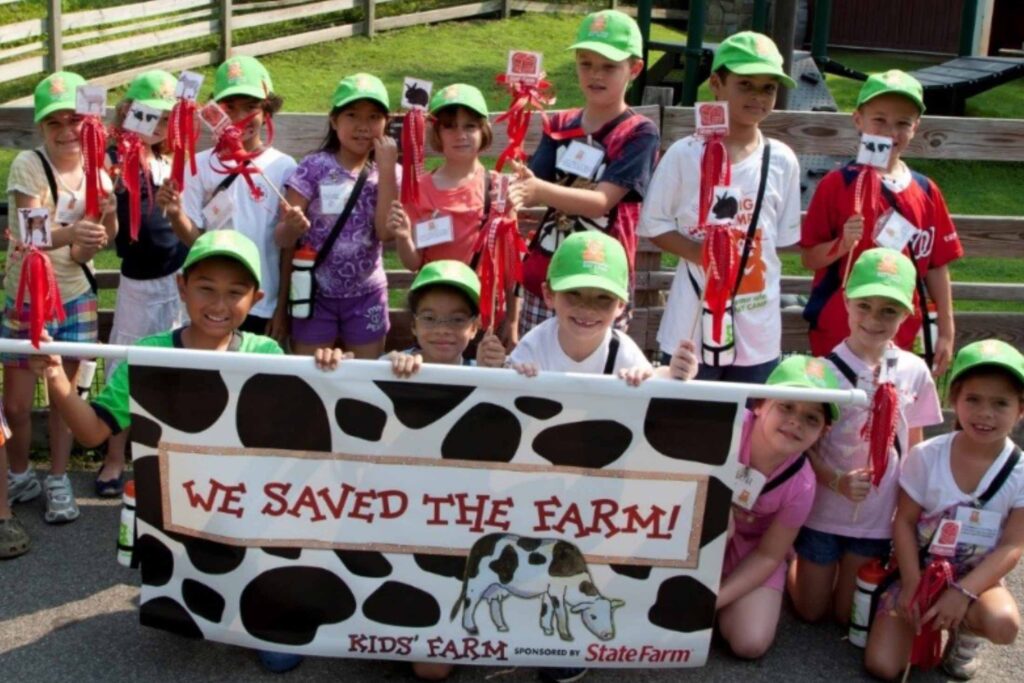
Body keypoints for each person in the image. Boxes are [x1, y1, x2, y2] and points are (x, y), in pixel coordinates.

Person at [509, 231, 695, 683]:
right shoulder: (535, 344)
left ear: (621, 307)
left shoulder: (622, 350)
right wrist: (516, 376)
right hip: (541, 477)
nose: (587, 310)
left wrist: (675, 373)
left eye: (601, 299)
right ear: (550, 295)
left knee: (587, 557)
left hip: (600, 479)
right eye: (576, 294)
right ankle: (528, 619)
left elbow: (654, 383)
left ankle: (577, 632)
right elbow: (507, 409)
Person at [788, 248, 944, 625]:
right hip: (823, 513)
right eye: (864, 306)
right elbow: (804, 446)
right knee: (811, 612)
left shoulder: (914, 371)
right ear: (846, 301)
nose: (874, 319)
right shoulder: (823, 373)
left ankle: (837, 576)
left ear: (907, 313)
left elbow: (916, 446)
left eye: (888, 310)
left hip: (876, 517)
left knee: (846, 616)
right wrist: (835, 480)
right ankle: (787, 560)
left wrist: (910, 512)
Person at [639, 31, 801, 384]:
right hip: (692, 322)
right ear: (716, 83)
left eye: (768, 88)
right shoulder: (686, 153)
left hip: (757, 327)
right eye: (745, 85)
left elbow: (780, 237)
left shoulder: (782, 160)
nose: (758, 97)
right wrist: (703, 253)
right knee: (688, 421)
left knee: (748, 422)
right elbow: (655, 224)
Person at [863, 340, 1024, 680]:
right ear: (954, 400)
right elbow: (904, 522)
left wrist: (963, 592)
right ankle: (919, 616)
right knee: (883, 667)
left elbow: (1013, 545)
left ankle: (964, 633)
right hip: (918, 567)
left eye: (1001, 403)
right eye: (973, 399)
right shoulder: (927, 455)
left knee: (1004, 624)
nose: (985, 414)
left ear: (1020, 410)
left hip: (976, 576)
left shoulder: (1020, 472)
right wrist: (910, 582)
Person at [2, 71, 116, 526]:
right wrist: (75, 231)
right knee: (14, 404)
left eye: (75, 121)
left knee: (64, 398)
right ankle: (19, 472)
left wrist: (105, 220)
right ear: (41, 129)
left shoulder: (98, 168)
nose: (67, 131)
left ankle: (58, 477)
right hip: (27, 297)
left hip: (74, 294)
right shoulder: (27, 165)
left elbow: (94, 247)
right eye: (55, 124)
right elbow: (32, 233)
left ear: (89, 122)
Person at [800, 70, 963, 377]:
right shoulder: (838, 184)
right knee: (837, 411)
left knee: (892, 407)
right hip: (839, 327)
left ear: (916, 127)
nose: (891, 132)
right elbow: (809, 257)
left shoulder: (925, 191)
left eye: (903, 123)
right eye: (879, 120)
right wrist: (842, 245)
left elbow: (937, 266)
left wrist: (946, 329)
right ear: (858, 119)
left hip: (900, 330)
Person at [509, 9, 660, 341]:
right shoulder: (560, 123)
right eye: (586, 63)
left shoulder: (638, 133)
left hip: (601, 279)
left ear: (634, 69)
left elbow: (600, 203)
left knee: (596, 372)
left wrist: (537, 190)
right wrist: (517, 178)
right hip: (548, 274)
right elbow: (533, 180)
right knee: (538, 366)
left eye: (609, 66)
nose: (596, 75)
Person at [157, 55, 296, 341]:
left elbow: (287, 249)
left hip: (262, 302)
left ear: (266, 111)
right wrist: (175, 214)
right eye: (229, 107)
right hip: (210, 306)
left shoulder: (283, 168)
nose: (239, 117)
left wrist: (281, 309)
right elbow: (195, 240)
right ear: (213, 112)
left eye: (250, 107)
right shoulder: (198, 165)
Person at [98, 69, 187, 497]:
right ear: (129, 113)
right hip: (138, 277)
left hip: (178, 276)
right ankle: (115, 458)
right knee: (125, 365)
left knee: (175, 364)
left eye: (166, 118)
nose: (158, 125)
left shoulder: (172, 159)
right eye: (148, 115)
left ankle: (166, 457)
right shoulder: (114, 157)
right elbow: (103, 205)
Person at [718, 355, 840, 659]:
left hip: (752, 551)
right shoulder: (725, 429)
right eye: (786, 406)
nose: (796, 421)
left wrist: (713, 600)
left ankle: (723, 598)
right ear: (759, 405)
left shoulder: (803, 484)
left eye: (812, 418)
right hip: (700, 535)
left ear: (822, 431)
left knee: (750, 642)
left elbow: (768, 554)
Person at [275, 73, 397, 359]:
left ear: (386, 123)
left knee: (365, 378)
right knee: (312, 378)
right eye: (352, 115)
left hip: (367, 294)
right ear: (334, 121)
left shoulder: (389, 173)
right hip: (314, 293)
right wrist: (291, 227)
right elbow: (281, 238)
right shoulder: (313, 168)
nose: (363, 127)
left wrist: (389, 169)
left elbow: (385, 233)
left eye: (374, 116)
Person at [389, 83, 496, 270]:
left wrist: (513, 301)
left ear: (483, 130)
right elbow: (413, 263)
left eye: (470, 126)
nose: (460, 135)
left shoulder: (497, 187)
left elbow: (508, 265)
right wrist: (404, 237)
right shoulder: (418, 190)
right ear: (437, 134)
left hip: (483, 297)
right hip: (437, 295)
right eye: (449, 127)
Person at [386, 260, 506, 380]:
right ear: (413, 325)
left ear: (474, 328)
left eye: (457, 320)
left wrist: (486, 376)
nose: (442, 330)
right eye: (429, 318)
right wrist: (384, 368)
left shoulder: (479, 372)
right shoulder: (396, 366)